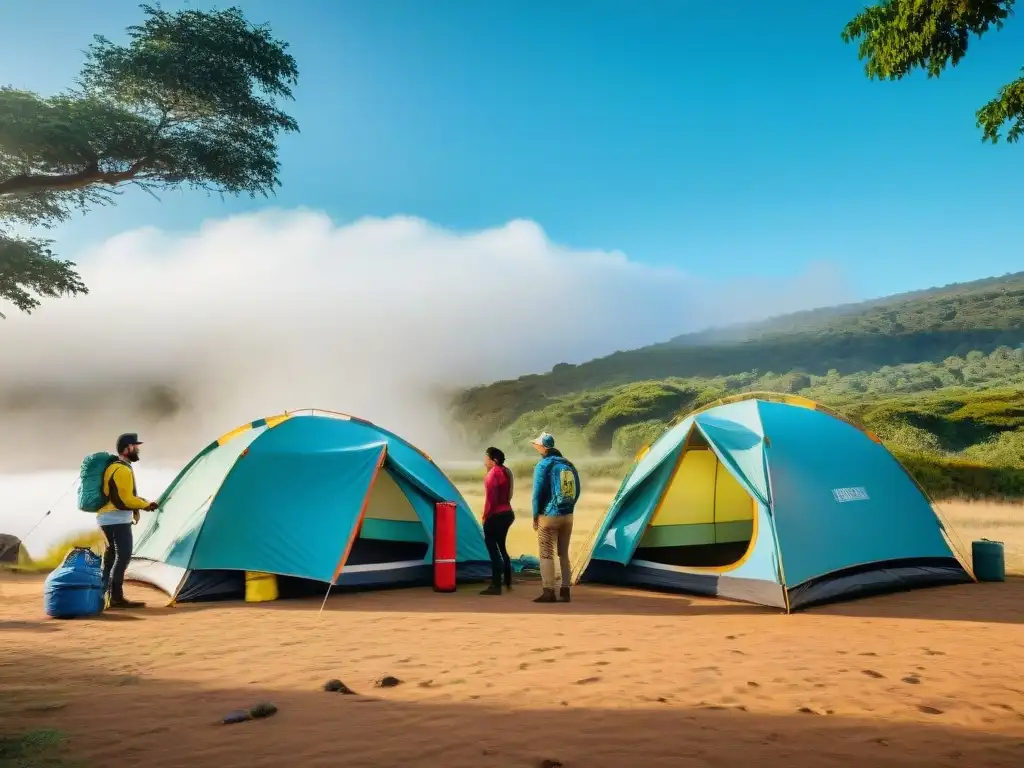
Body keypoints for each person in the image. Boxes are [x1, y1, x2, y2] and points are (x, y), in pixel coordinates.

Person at [96, 433, 158, 609]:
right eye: (135, 446)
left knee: (111, 557)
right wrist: (146, 505)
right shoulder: (122, 469)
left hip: (107, 519)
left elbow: (123, 496)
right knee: (122, 556)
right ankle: (116, 598)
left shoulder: (114, 467)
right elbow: (125, 500)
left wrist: (142, 502)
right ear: (126, 449)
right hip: (116, 520)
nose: (137, 449)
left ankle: (103, 595)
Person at [529, 432, 581, 603]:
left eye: (537, 444)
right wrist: (569, 507)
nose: (535, 446)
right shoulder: (568, 464)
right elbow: (577, 490)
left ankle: (549, 591)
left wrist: (536, 515)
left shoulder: (543, 465)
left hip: (549, 515)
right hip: (568, 515)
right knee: (563, 553)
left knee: (546, 554)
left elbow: (537, 494)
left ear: (543, 447)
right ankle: (565, 590)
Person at [479, 446, 515, 595]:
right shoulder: (507, 471)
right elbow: (509, 494)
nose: (484, 462)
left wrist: (485, 516)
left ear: (493, 460)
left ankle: (495, 585)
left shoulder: (492, 474)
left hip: (496, 515)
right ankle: (507, 580)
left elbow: (491, 500)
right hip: (507, 513)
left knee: (493, 550)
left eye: (486, 458)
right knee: (502, 547)